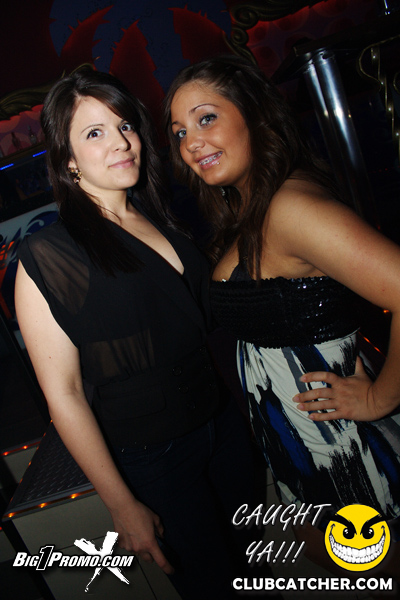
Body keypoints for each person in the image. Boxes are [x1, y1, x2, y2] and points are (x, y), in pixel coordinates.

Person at [14, 66, 257, 600]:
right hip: (154, 457)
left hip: (222, 426)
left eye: (125, 125)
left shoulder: (161, 219)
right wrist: (121, 503)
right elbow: (65, 395)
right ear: (68, 159)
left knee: (256, 570)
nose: (121, 142)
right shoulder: (49, 255)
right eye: (94, 132)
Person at [165, 54, 400, 578]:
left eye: (206, 118)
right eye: (180, 132)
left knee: (372, 570)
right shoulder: (250, 207)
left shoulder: (290, 208)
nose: (191, 143)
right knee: (334, 558)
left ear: (254, 114)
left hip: (342, 444)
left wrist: (379, 397)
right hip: (300, 437)